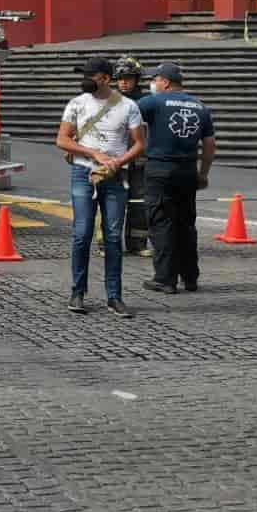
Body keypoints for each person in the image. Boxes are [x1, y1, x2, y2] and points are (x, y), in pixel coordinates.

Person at [55, 55, 145, 317]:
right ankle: (78, 291)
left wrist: (118, 162)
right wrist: (92, 153)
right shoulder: (76, 103)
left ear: (105, 78)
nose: (84, 81)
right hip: (83, 174)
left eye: (89, 76)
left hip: (115, 178)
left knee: (114, 237)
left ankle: (114, 297)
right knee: (82, 234)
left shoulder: (128, 107)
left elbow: (140, 143)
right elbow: (62, 139)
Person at [139, 62, 216, 295]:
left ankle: (165, 278)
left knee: (161, 223)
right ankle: (190, 277)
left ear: (165, 82)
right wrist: (203, 174)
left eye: (154, 79)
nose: (151, 84)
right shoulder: (200, 106)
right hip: (187, 171)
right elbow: (210, 145)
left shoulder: (152, 102)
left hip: (160, 169)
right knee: (185, 224)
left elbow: (127, 119)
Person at [114, 56, 150, 258]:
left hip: (140, 161)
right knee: (112, 203)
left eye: (128, 78)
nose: (123, 83)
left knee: (139, 203)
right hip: (115, 161)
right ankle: (108, 244)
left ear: (137, 79)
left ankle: (137, 243)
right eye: (120, 79)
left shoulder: (147, 103)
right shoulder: (108, 101)